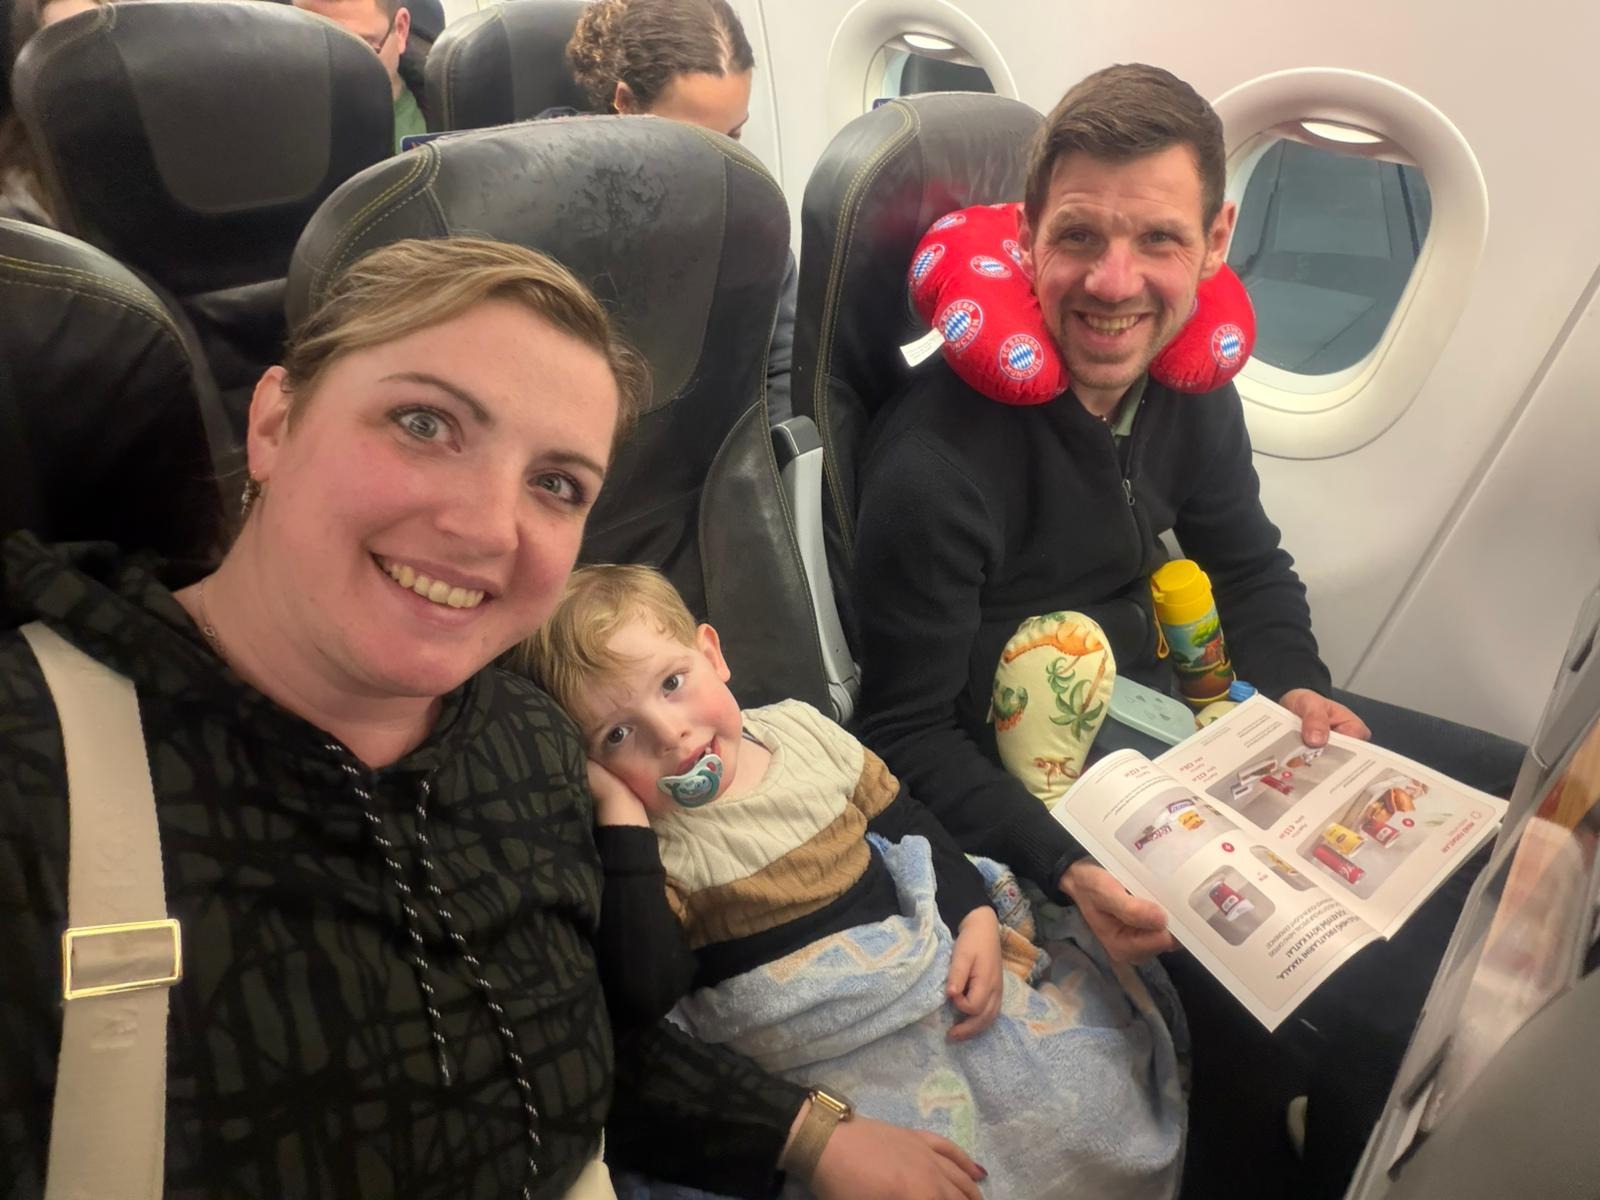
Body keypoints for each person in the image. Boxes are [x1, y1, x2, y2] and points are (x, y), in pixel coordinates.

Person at [0, 236, 986, 1200]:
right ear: (274, 421)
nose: (484, 528)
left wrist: (807, 1135)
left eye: (555, 484)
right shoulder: (29, 756)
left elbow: (585, 1048)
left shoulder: (528, 741)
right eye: (424, 423)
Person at [850, 62, 1526, 1198]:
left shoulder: (1191, 385)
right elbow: (901, 730)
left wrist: (1298, 686)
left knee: (1521, 810)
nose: (1114, 283)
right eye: (1078, 237)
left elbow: (1246, 563)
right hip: (1048, 771)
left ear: (1216, 240)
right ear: (1027, 238)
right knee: (1391, 1003)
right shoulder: (934, 467)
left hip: (1191, 711)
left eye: (1157, 239)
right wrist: (1061, 868)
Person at [515, 562, 1186, 1199]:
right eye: (617, 735)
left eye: (671, 682)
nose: (670, 733)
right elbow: (645, 992)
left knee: (1077, 1104)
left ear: (712, 654)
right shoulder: (646, 849)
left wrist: (974, 915)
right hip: (821, 1061)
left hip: (926, 979)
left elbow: (908, 823)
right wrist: (621, 817)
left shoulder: (805, 732)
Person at [563, 0, 795, 424]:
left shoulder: (747, 210)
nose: (720, 162)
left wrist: (774, 449)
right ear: (627, 104)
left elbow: (779, 364)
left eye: (734, 134)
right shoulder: (550, 197)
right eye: (694, 139)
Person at [0, 0, 105, 226]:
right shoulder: (18, 199)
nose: (91, 67)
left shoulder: (159, 137)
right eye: (68, 55)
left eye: (99, 44)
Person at [293, 0, 427, 153]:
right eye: (313, 44)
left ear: (401, 30)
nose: (338, 66)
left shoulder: (443, 114)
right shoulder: (276, 115)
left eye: (360, 45)